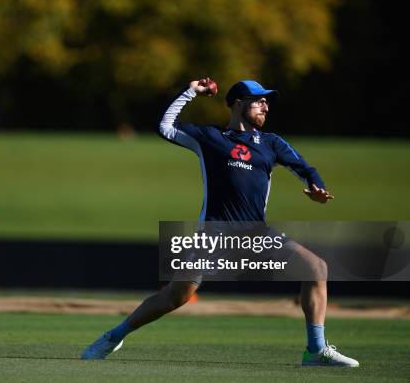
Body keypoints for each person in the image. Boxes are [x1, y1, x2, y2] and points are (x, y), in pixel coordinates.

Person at [81, 78, 359, 367]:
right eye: (258, 100)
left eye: (267, 100)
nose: (265, 105)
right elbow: (164, 127)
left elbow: (305, 168)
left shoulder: (271, 143)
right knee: (175, 297)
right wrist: (191, 92)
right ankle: (113, 337)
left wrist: (316, 187)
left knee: (316, 268)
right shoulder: (210, 138)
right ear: (238, 104)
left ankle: (316, 351)